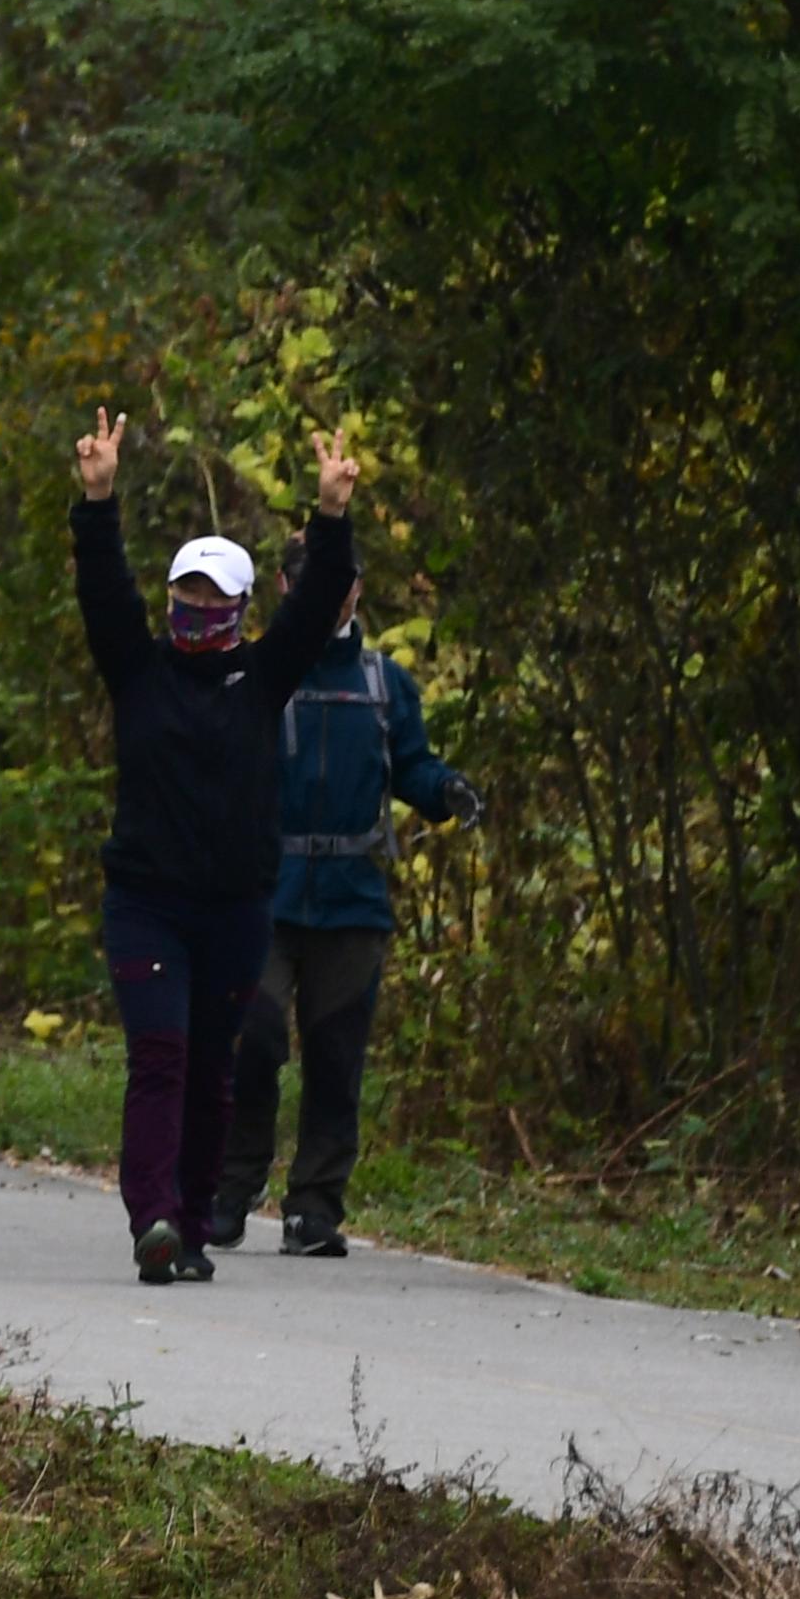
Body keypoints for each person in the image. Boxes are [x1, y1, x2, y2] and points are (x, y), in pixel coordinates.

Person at [68, 406, 359, 1284]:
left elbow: (315, 609)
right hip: (147, 903)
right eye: (183, 594)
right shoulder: (138, 668)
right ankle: (152, 1215)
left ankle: (191, 1228)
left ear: (238, 605)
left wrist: (333, 515)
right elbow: (101, 587)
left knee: (211, 1067)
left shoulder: (263, 677)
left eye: (211, 597)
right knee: (159, 1056)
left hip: (235, 907)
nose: (195, 608)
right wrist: (99, 498)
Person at [216, 537, 482, 1255]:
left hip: (353, 900)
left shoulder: (384, 684)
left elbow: (414, 768)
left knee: (337, 1059)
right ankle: (229, 1190)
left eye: (340, 582)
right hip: (265, 896)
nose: (328, 595)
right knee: (252, 1040)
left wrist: (447, 792)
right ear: (282, 583)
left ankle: (314, 1208)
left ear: (358, 590)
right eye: (311, 582)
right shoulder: (258, 674)